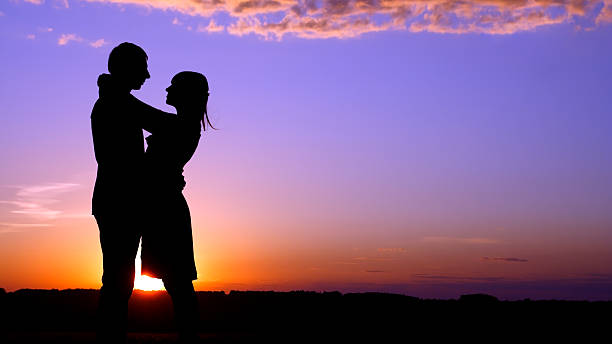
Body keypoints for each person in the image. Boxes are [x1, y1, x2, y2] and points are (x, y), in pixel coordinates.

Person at [91, 42, 197, 343]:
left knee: (119, 279)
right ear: (127, 68)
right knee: (118, 280)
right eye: (143, 68)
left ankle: (110, 339)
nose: (149, 76)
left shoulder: (116, 99)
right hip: (118, 202)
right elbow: (161, 122)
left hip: (123, 202)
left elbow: (160, 125)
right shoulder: (118, 102)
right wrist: (189, 120)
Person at [140, 71, 211, 343]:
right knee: (176, 282)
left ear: (186, 94)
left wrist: (113, 89)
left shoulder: (181, 125)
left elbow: (139, 112)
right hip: (164, 207)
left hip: (166, 210)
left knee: (177, 283)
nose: (167, 88)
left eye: (174, 86)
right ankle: (188, 337)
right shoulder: (182, 124)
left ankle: (189, 338)